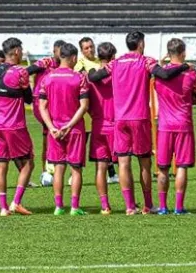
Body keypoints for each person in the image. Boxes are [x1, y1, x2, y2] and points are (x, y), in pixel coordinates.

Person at [103, 32, 158, 215]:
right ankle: (148, 205)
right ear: (141, 44)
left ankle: (129, 206)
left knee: (123, 163)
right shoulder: (146, 61)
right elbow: (161, 73)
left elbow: (97, 77)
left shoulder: (116, 62)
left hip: (120, 118)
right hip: (139, 117)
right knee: (144, 163)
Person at [39, 42, 90, 216]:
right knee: (75, 169)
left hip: (55, 130)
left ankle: (59, 207)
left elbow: (42, 106)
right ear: (74, 58)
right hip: (74, 129)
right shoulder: (79, 78)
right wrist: (69, 125)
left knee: (58, 168)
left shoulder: (47, 77)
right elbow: (83, 106)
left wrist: (51, 127)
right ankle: (74, 207)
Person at [152, 38, 196, 215]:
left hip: (164, 125)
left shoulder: (159, 74)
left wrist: (163, 62)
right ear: (183, 53)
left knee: (163, 168)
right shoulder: (191, 74)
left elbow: (158, 78)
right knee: (181, 166)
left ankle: (163, 207)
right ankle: (179, 207)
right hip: (183, 124)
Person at [0, 38, 35, 216]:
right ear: (16, 51)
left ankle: (3, 207)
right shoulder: (20, 72)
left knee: (1, 166)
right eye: (21, 50)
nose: (22, 53)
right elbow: (29, 98)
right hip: (15, 126)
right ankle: (16, 202)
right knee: (28, 164)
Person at [27, 40, 64, 187]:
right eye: (58, 52)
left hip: (56, 103)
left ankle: (49, 170)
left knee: (49, 138)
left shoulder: (64, 65)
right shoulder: (45, 63)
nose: (61, 55)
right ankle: (46, 171)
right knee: (49, 137)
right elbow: (28, 70)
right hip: (40, 103)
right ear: (54, 52)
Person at [86, 42, 118, 214]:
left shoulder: (91, 78)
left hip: (98, 125)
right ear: (113, 57)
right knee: (124, 166)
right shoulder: (117, 75)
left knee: (101, 167)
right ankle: (130, 204)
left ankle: (105, 206)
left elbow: (87, 104)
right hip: (116, 125)